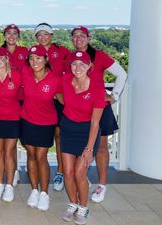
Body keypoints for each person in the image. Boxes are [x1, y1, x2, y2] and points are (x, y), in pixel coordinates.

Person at [71, 26, 127, 203]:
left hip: (100, 107)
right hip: (80, 109)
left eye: (82, 36)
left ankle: (101, 185)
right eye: (75, 36)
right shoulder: (71, 59)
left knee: (101, 147)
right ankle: (83, 179)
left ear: (89, 38)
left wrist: (114, 96)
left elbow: (121, 74)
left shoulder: (99, 55)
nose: (78, 39)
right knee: (81, 146)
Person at [60, 51, 105, 224]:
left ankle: (83, 207)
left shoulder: (97, 87)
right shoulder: (65, 80)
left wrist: (88, 148)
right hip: (68, 128)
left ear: (89, 67)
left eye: (82, 64)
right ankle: (72, 203)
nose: (77, 68)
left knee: (80, 172)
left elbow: (95, 123)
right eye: (74, 64)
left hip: (88, 131)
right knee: (68, 172)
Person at [21, 45, 62, 211]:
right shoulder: (25, 74)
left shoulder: (56, 79)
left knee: (41, 155)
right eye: (31, 58)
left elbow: (65, 99)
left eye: (38, 58)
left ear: (46, 60)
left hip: (46, 123)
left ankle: (44, 193)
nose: (34, 61)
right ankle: (34, 190)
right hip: (27, 120)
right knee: (31, 154)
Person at [34, 23, 71, 192]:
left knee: (60, 136)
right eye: (39, 35)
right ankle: (38, 166)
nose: (43, 38)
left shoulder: (62, 51)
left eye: (45, 34)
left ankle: (61, 172)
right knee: (43, 137)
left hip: (60, 99)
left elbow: (74, 70)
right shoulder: (34, 53)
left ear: (51, 35)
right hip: (42, 99)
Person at [0, 47, 22, 202]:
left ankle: (9, 186)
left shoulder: (17, 75)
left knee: (9, 153)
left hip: (13, 118)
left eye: (0, 58)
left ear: (6, 59)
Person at [2, 24, 29, 186]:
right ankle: (13, 170)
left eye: (14, 33)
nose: (11, 36)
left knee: (19, 138)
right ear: (4, 35)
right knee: (8, 141)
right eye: (8, 33)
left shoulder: (24, 52)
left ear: (18, 36)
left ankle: (15, 168)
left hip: (23, 100)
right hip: (5, 101)